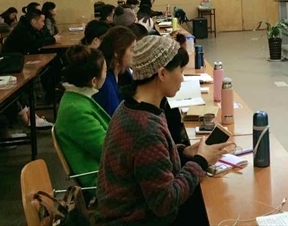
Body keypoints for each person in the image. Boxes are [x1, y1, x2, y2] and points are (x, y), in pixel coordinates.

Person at [95, 36, 231, 226]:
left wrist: (183, 152)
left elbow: (149, 161)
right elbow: (165, 202)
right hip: (136, 220)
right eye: (180, 71)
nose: (182, 78)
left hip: (133, 211)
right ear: (162, 73)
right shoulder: (145, 129)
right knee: (220, 207)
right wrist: (201, 161)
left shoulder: (130, 107)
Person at [55, 45, 110, 189]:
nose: (107, 74)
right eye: (105, 71)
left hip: (106, 173)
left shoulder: (76, 99)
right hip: (102, 182)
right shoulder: (75, 111)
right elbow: (108, 150)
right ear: (93, 81)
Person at [93, 26, 136, 117]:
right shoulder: (105, 83)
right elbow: (115, 118)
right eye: (132, 50)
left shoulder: (124, 72)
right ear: (117, 52)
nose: (135, 53)